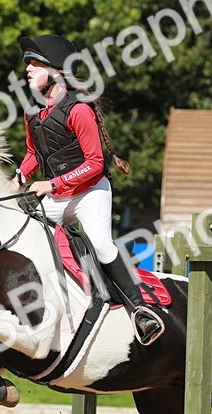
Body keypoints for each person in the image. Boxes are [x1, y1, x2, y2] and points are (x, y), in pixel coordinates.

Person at [12, 33, 164, 345]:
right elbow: (32, 154)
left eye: (34, 63)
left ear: (55, 70)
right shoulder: (32, 110)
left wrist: (51, 183)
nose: (27, 69)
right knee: (24, 231)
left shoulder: (78, 109)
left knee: (101, 243)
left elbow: (95, 163)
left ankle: (141, 310)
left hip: (90, 192)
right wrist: (18, 177)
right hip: (56, 196)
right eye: (27, 63)